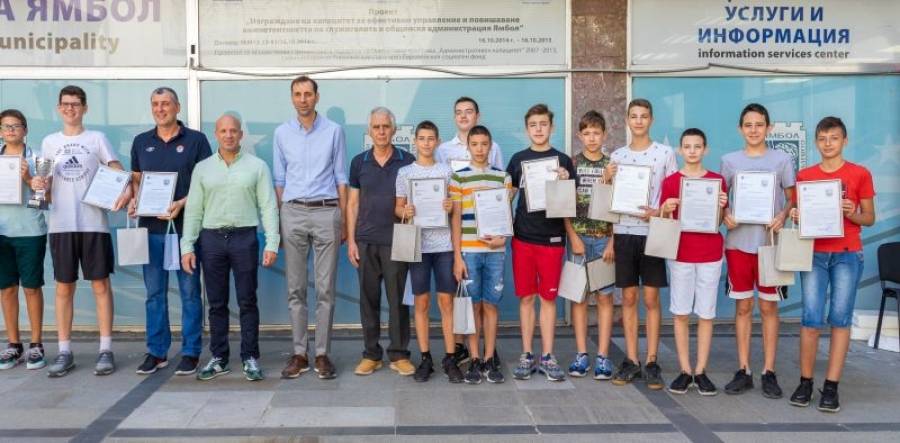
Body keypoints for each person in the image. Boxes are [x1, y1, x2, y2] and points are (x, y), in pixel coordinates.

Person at [35, 85, 132, 378]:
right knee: (64, 287)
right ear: (58, 108)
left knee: (101, 285)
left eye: (75, 104)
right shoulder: (50, 142)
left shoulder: (96, 139)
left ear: (85, 108)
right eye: (65, 104)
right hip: (61, 224)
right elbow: (44, 184)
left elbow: (117, 168)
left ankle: (105, 349)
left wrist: (125, 189)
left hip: (94, 223)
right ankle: (65, 351)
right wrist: (39, 185)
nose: (70, 108)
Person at [180, 114, 279, 382]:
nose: (228, 135)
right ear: (216, 134)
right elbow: (194, 210)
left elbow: (268, 206)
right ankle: (219, 357)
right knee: (216, 302)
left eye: (233, 131)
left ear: (241, 135)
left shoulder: (257, 167)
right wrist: (187, 246)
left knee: (247, 300)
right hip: (211, 239)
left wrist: (272, 242)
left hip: (244, 238)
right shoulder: (202, 169)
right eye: (223, 131)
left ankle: (250, 356)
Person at [788, 116, 875, 413]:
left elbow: (869, 218)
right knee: (811, 319)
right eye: (823, 139)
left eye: (834, 138)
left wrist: (852, 213)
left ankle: (831, 386)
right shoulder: (806, 175)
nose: (828, 144)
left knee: (840, 319)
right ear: (816, 142)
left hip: (848, 254)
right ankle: (805, 382)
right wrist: (796, 216)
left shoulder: (860, 173)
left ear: (844, 141)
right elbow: (800, 213)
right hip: (814, 253)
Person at [128, 87, 211, 376]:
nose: (160, 109)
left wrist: (181, 203)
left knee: (190, 293)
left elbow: (205, 184)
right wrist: (135, 200)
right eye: (155, 104)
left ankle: (191, 352)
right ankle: (157, 351)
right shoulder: (141, 142)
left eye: (165, 104)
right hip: (151, 230)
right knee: (154, 294)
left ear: (177, 107)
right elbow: (137, 180)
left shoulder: (196, 141)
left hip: (186, 231)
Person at [274, 76, 347, 380]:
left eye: (307, 94)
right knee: (296, 288)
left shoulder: (334, 131)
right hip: (292, 211)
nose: (303, 99)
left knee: (326, 288)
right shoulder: (281, 133)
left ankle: (322, 354)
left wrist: (343, 219)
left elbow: (341, 177)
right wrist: (281, 218)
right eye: (297, 94)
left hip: (326, 211)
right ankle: (299, 353)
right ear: (292, 98)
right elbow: (280, 180)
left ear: (317, 97)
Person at [721, 103, 795, 398]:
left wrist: (783, 215)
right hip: (738, 243)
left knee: (768, 308)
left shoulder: (782, 159)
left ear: (769, 128)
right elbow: (720, 198)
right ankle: (744, 370)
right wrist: (724, 213)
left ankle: (769, 371)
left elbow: (792, 197)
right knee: (743, 307)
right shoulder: (729, 161)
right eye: (748, 125)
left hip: (770, 245)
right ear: (740, 129)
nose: (754, 130)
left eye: (759, 124)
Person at [607, 99, 677, 390]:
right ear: (627, 120)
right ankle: (631, 359)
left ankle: (651, 360)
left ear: (651, 120)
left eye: (644, 116)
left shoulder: (664, 154)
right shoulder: (617, 156)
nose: (638, 121)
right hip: (624, 232)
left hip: (652, 232)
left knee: (650, 299)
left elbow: (673, 194)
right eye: (634, 116)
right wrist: (606, 178)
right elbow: (608, 200)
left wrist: (658, 211)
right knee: (628, 298)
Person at [506, 104, 577, 382]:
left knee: (548, 298)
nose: (538, 129)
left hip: (552, 239)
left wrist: (564, 181)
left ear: (552, 127)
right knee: (526, 297)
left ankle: (547, 355)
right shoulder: (518, 160)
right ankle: (527, 354)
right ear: (527, 129)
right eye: (533, 125)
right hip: (523, 238)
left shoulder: (563, 161)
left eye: (543, 124)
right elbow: (508, 196)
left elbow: (570, 203)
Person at [658, 128, 728, 396]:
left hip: (710, 253)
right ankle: (685, 369)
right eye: (687, 146)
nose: (692, 151)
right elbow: (664, 220)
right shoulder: (671, 182)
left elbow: (719, 222)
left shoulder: (717, 181)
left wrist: (721, 206)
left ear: (705, 149)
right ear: (680, 150)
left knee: (706, 312)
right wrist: (665, 209)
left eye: (697, 146)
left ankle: (701, 370)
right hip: (680, 253)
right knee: (681, 312)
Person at [347, 107, 416, 377]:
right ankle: (371, 354)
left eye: (386, 126)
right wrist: (351, 241)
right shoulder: (359, 162)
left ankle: (399, 354)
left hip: (398, 239)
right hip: (365, 240)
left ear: (394, 130)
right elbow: (352, 204)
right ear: (369, 131)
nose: (381, 131)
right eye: (376, 127)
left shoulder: (407, 160)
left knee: (398, 300)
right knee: (368, 300)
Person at [395, 121, 457, 383]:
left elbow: (455, 205)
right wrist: (405, 210)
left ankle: (451, 357)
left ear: (438, 141)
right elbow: (398, 207)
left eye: (431, 139)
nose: (426, 143)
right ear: (415, 142)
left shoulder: (447, 171)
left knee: (446, 302)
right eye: (422, 138)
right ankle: (425, 358)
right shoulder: (405, 172)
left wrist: (450, 205)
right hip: (418, 246)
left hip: (444, 246)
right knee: (421, 303)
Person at [450, 125, 512, 385]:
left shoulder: (503, 177)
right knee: (473, 305)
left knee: (491, 304)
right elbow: (455, 220)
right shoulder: (458, 178)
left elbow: (507, 216)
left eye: (484, 144)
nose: (479, 149)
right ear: (468, 147)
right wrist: (457, 256)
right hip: (469, 251)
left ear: (490, 146)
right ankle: (474, 357)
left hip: (495, 251)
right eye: (474, 144)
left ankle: (489, 358)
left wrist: (503, 238)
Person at [566, 110, 616, 380]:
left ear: (604, 134)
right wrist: (572, 236)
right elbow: (563, 205)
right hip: (579, 239)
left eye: (597, 133)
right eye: (587, 133)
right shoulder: (572, 164)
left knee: (605, 297)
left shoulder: (612, 165)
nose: (592, 138)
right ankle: (581, 353)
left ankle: (603, 356)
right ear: (579, 135)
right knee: (579, 296)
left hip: (603, 239)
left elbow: (619, 207)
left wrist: (613, 242)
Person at [0, 109, 47, 370]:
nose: (10, 130)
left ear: (25, 130)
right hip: (1, 232)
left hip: (30, 232)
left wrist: (29, 179)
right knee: (6, 289)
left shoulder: (38, 158)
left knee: (31, 288)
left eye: (16, 126)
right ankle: (13, 344)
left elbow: (42, 201)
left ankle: (36, 344)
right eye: (5, 126)